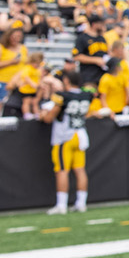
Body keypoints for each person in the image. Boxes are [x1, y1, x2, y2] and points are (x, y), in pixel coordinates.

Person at [42, 74, 97, 215]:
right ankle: (81, 203)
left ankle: (61, 205)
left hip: (65, 136)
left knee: (62, 170)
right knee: (80, 170)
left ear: (66, 81)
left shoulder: (62, 96)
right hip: (80, 135)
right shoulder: (86, 95)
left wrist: (43, 114)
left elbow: (49, 118)